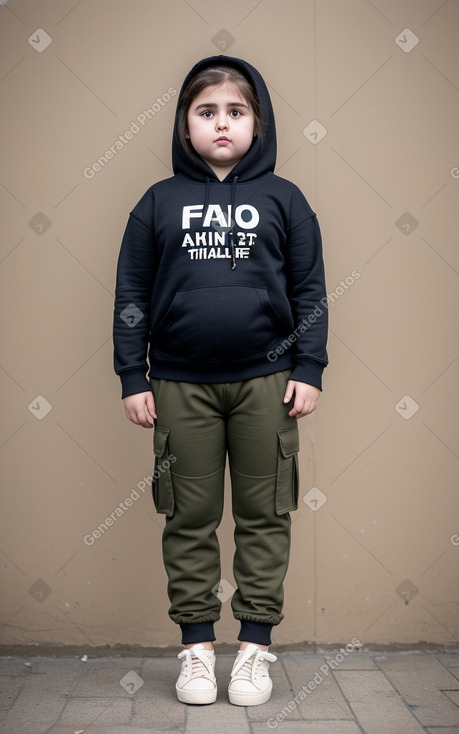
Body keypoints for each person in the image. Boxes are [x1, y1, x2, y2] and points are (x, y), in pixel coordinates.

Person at [113, 55, 328, 707]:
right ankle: (198, 651)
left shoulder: (284, 200)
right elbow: (131, 292)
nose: (221, 124)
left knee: (266, 515)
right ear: (185, 127)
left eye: (235, 111)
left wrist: (309, 367)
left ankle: (255, 650)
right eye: (206, 112)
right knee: (188, 516)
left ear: (257, 123)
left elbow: (310, 288)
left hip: (268, 383)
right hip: (179, 386)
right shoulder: (157, 203)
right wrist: (133, 374)